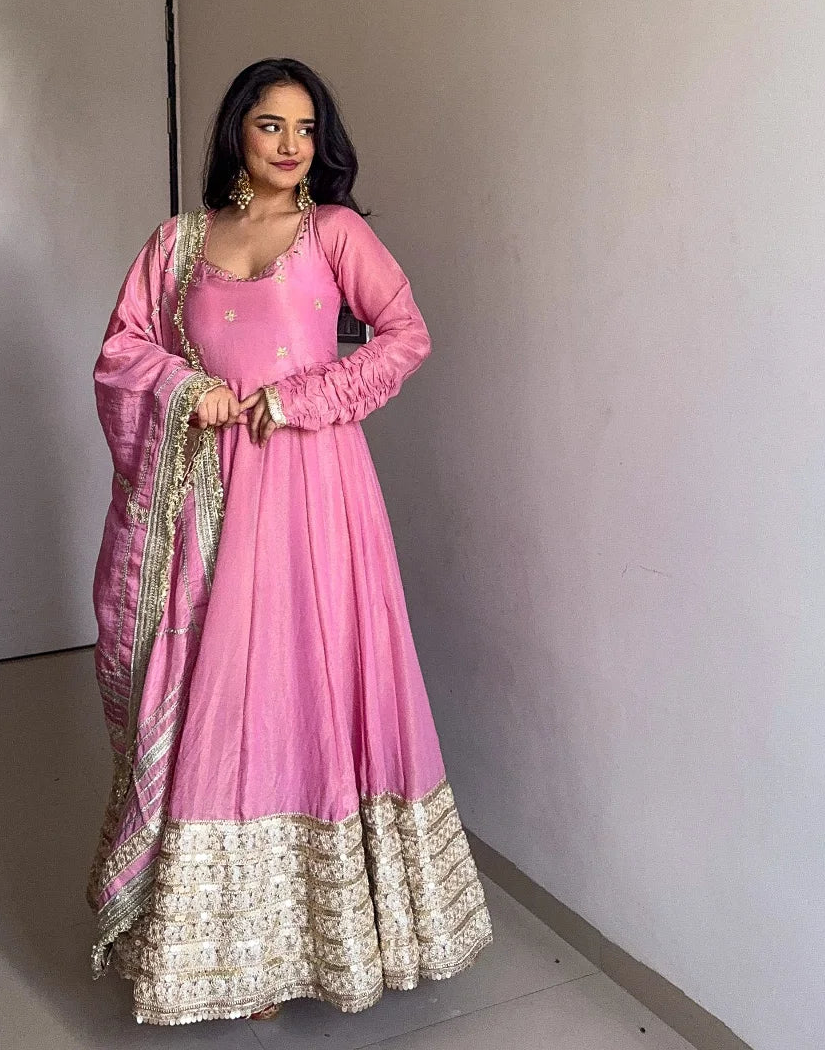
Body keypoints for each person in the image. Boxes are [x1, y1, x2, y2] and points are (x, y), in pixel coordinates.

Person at [86, 58, 492, 1026]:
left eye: (305, 129)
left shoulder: (336, 233)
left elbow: (404, 335)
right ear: (238, 132)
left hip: (315, 486)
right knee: (228, 698)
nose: (289, 145)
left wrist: (300, 397)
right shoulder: (180, 243)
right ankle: (237, 947)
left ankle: (332, 934)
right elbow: (122, 350)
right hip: (213, 496)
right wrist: (189, 391)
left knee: (310, 687)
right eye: (270, 125)